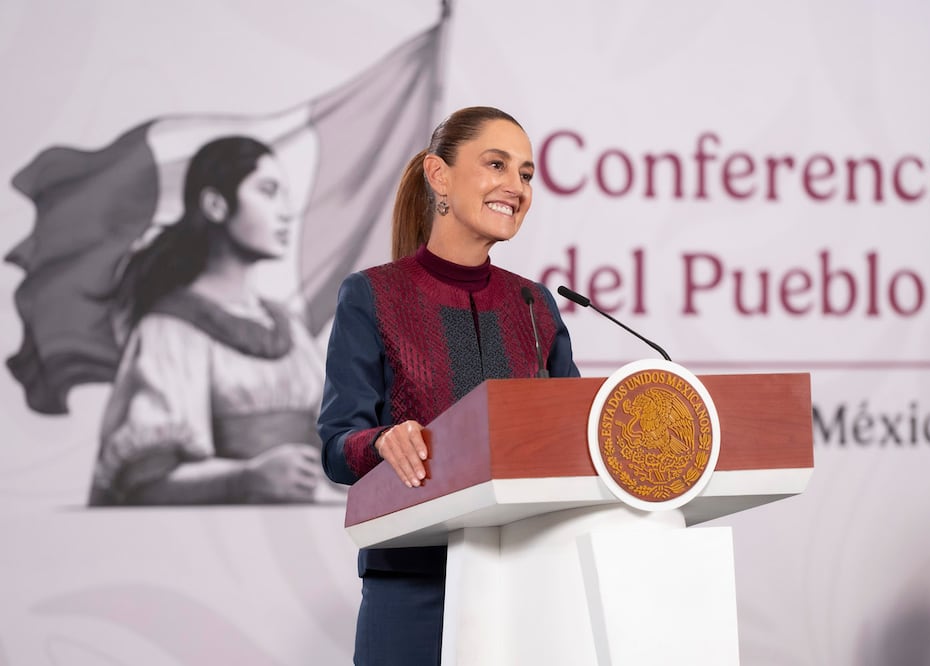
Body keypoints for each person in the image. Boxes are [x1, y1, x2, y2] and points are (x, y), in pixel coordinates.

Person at [317, 106, 580, 664]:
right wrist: (383, 440)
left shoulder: (535, 304)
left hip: (526, 580)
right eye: (496, 165)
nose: (516, 187)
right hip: (412, 583)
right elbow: (339, 446)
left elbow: (572, 441)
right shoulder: (372, 295)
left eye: (527, 174)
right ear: (439, 176)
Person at [89, 136, 326, 505]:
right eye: (267, 191)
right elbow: (145, 481)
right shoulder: (170, 330)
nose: (285, 211)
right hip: (212, 544)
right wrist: (245, 479)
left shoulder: (289, 329)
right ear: (216, 205)